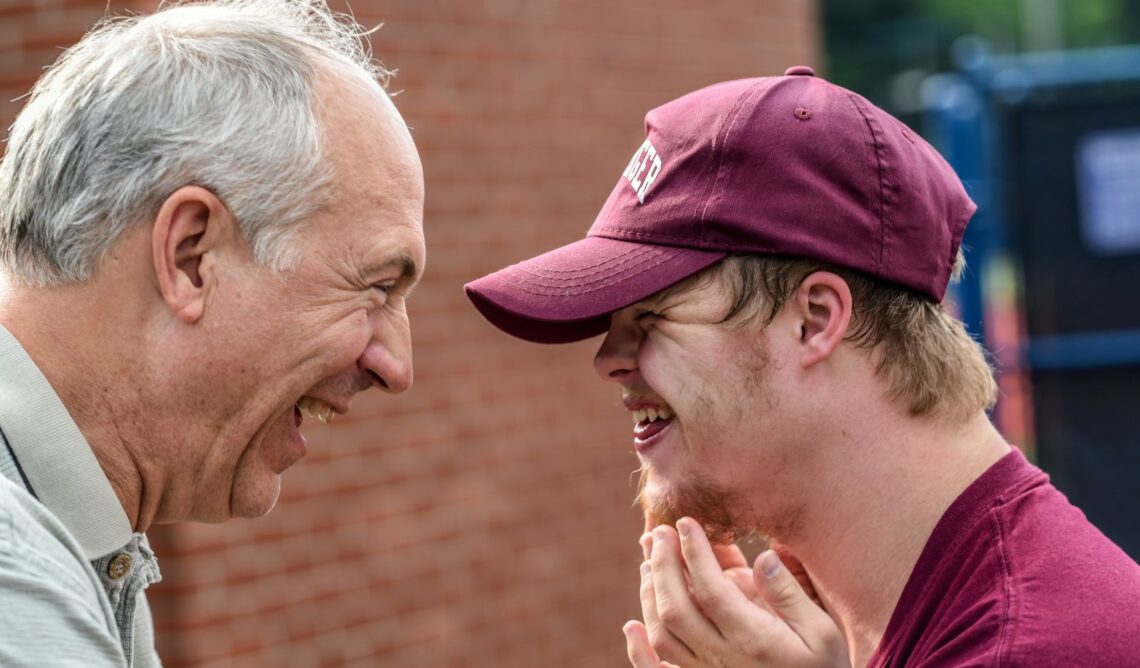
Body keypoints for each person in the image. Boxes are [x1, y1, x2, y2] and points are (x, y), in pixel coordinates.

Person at [465, 66, 1140, 666]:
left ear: (814, 319)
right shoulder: (827, 619)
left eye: (651, 316)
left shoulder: (1038, 645)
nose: (608, 361)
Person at [0, 1, 424, 665]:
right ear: (192, 256)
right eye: (374, 287)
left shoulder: (77, 542)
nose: (396, 367)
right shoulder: (18, 585)